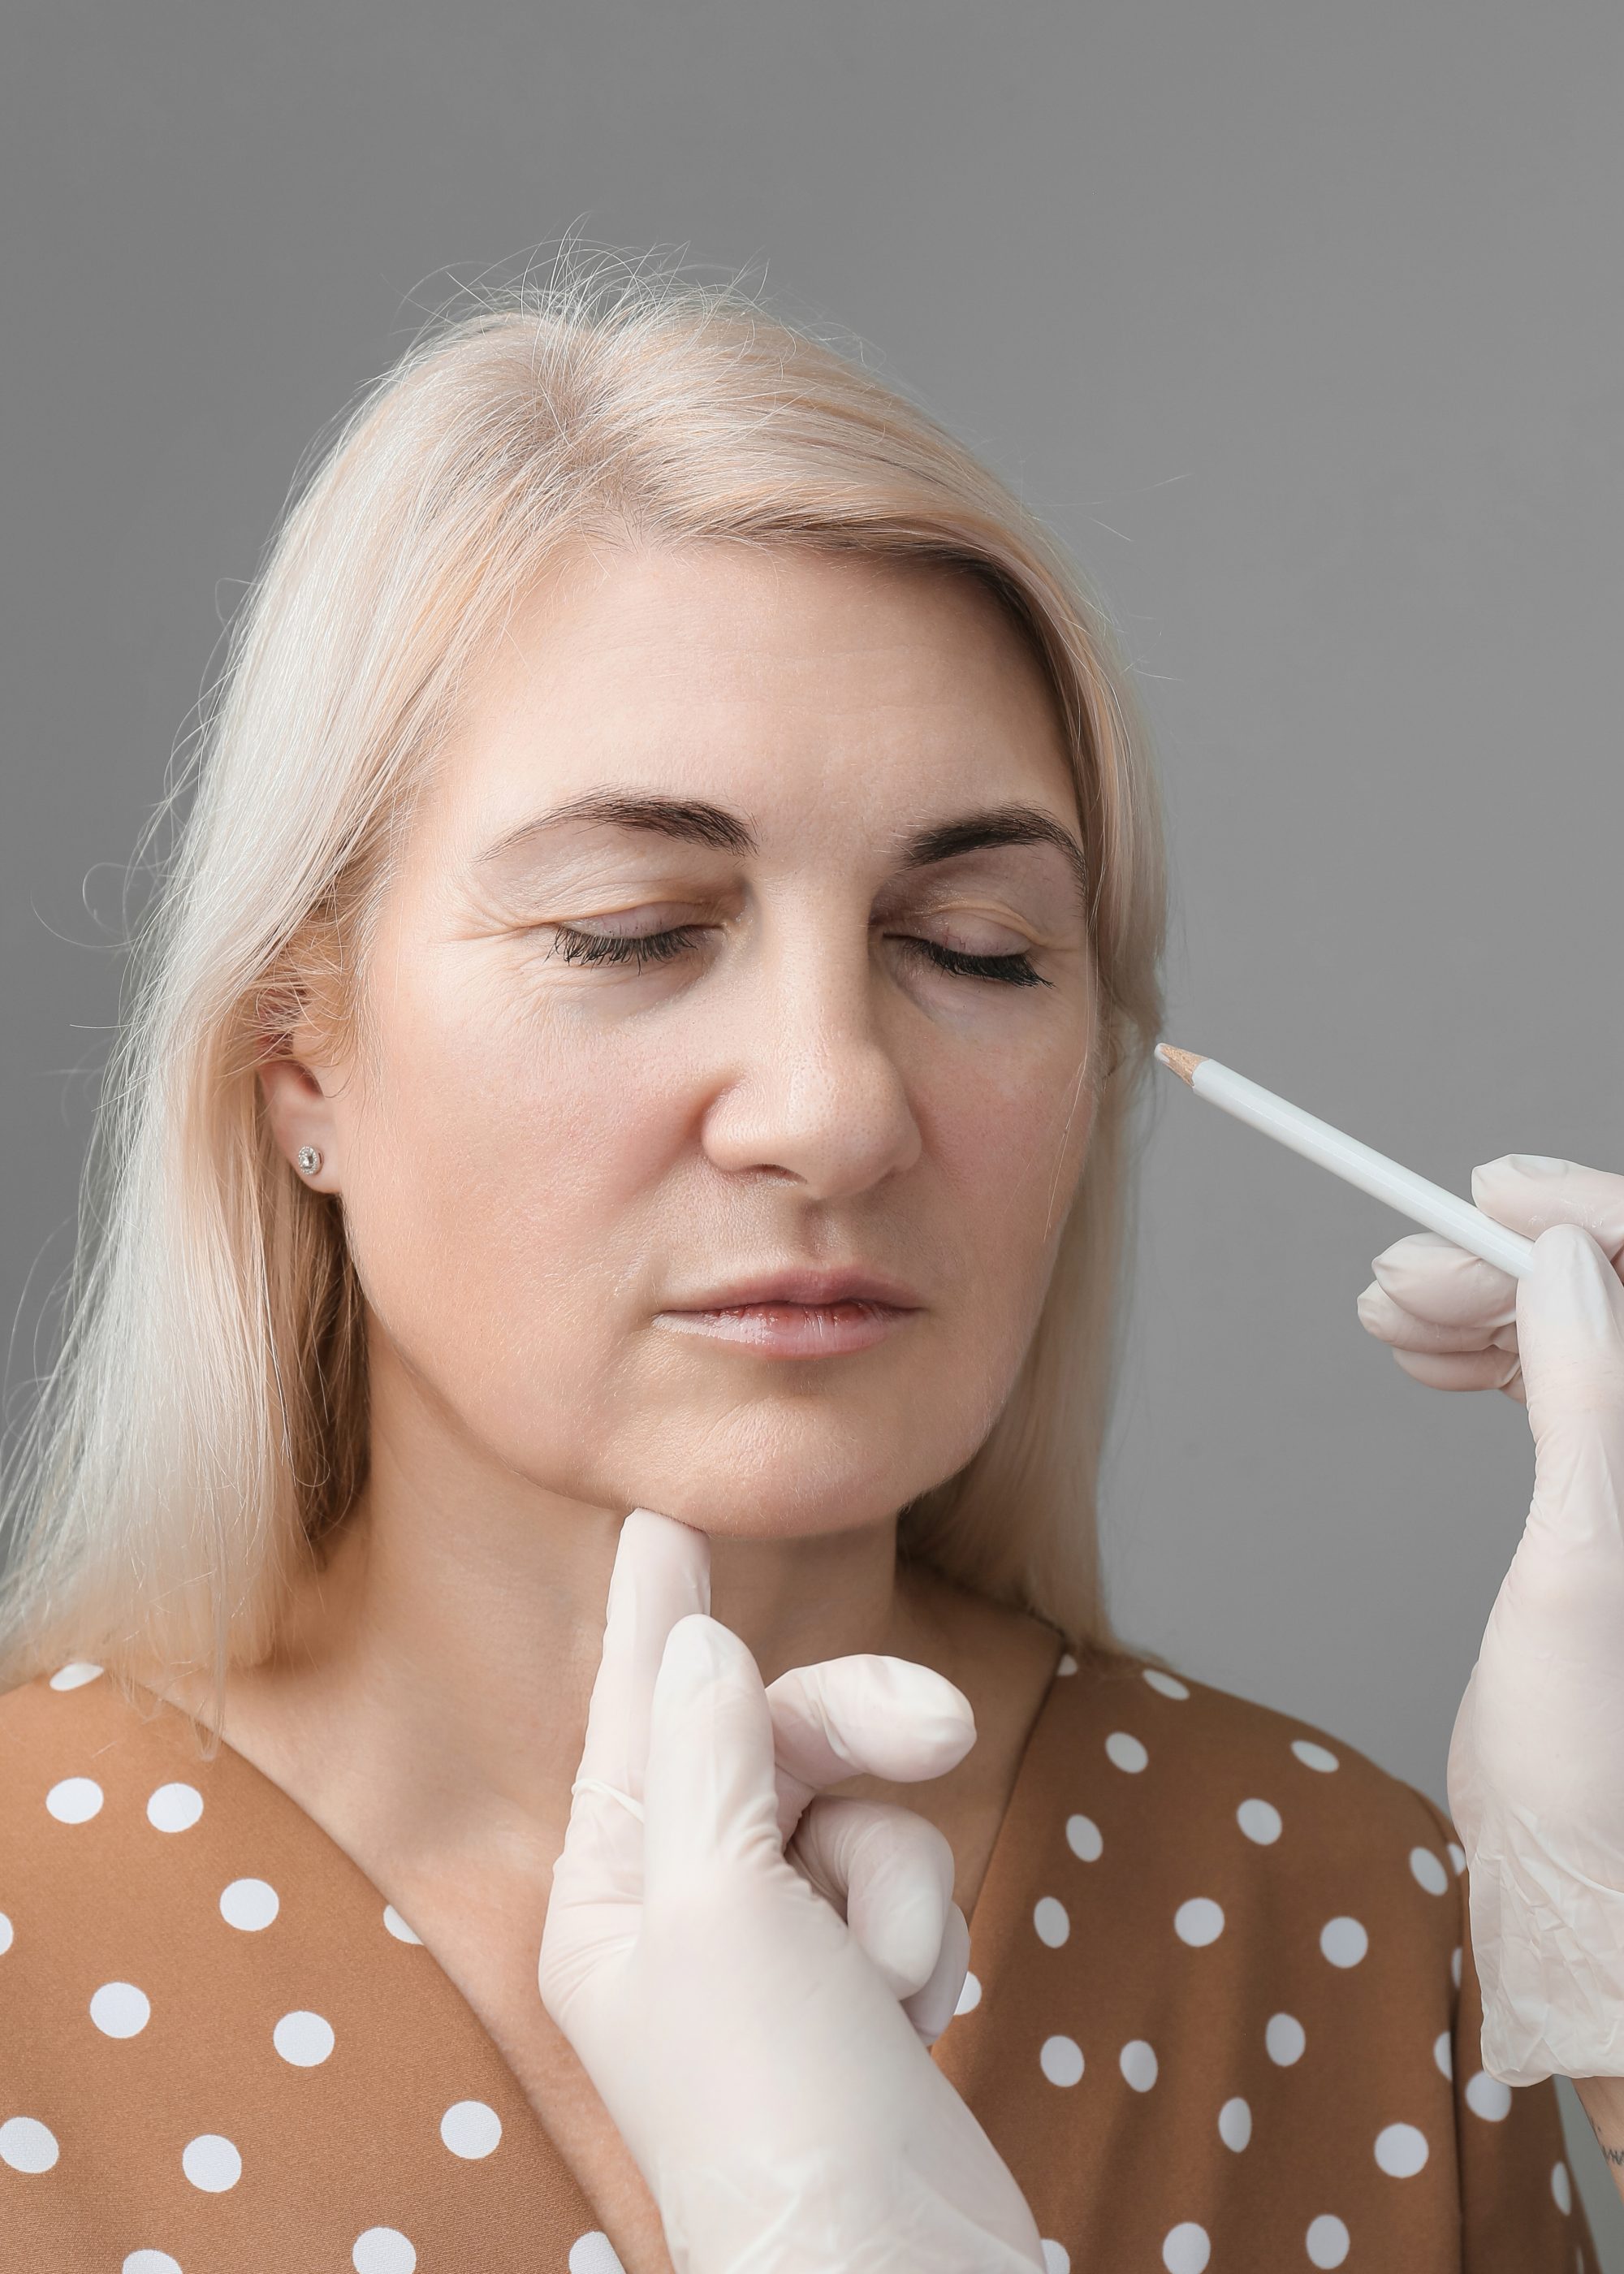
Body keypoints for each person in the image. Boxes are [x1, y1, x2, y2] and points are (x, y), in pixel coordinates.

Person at [0, 255, 1615, 2273]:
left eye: (976, 950)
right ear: (297, 1054)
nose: (836, 1106)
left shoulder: (1343, 1909)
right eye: (630, 927)